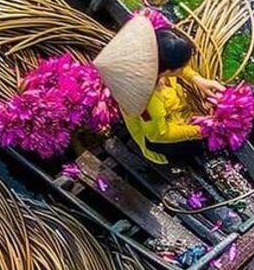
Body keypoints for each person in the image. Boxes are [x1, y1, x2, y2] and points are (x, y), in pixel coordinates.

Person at [93, 14, 224, 163]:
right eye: (180, 68)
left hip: (176, 113)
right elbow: (159, 134)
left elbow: (181, 69)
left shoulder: (150, 60)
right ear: (167, 71)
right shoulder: (148, 102)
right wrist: (201, 130)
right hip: (160, 140)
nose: (184, 69)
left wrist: (197, 79)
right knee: (208, 146)